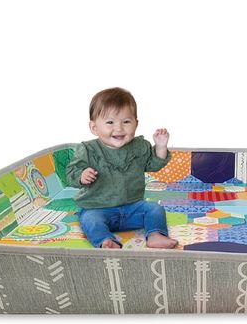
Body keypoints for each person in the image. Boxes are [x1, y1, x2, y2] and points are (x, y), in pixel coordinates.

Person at [66, 87, 178, 249]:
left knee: (155, 209)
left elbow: (152, 165)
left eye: (126, 122)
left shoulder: (140, 146)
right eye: (110, 122)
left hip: (132, 208)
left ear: (136, 124)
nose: (119, 128)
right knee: (90, 220)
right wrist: (82, 175)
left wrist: (160, 147)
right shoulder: (88, 150)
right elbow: (71, 173)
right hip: (97, 208)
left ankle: (155, 235)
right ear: (94, 127)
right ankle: (106, 241)